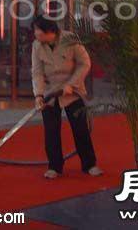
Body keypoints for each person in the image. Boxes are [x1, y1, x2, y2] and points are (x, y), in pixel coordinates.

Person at [31, 15, 102, 179]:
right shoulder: (37, 46)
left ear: (50, 31)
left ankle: (89, 164)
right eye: (35, 31)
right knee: (51, 131)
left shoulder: (70, 39)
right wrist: (38, 95)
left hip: (72, 92)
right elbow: (37, 72)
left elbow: (85, 63)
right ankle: (54, 166)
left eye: (38, 31)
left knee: (80, 128)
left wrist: (71, 84)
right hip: (50, 93)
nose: (36, 34)